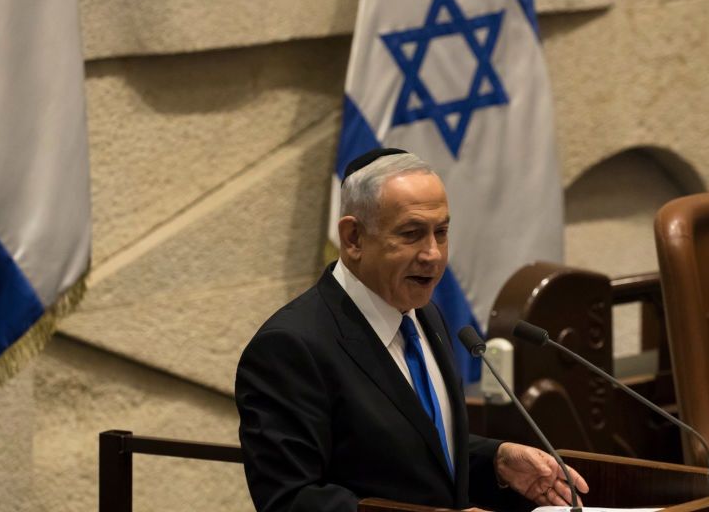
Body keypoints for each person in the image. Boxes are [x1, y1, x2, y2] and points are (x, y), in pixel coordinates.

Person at [236, 149, 588, 512]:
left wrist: (497, 459)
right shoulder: (290, 348)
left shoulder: (424, 314)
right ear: (353, 238)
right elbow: (290, 499)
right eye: (411, 234)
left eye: (441, 232)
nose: (433, 254)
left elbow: (418, 451)